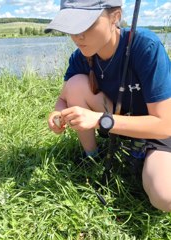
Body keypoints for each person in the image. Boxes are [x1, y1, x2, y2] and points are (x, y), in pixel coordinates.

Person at [46, 0, 171, 212]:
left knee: (164, 197)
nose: (77, 36)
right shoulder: (81, 56)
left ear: (115, 17)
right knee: (76, 84)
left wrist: (100, 120)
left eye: (85, 24)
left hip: (156, 132)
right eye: (71, 26)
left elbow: (165, 125)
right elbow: (63, 98)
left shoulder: (145, 46)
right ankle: (91, 158)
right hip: (116, 121)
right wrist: (56, 114)